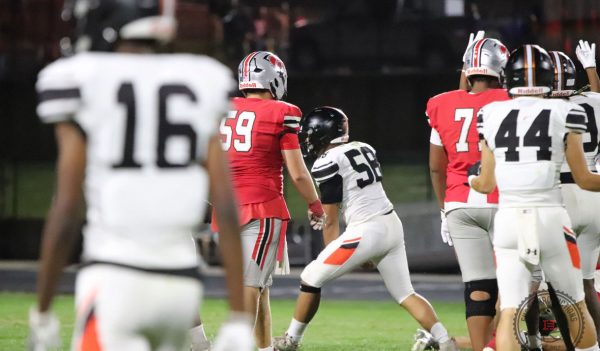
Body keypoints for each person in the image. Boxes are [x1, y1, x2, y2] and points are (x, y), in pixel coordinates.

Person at [27, 1, 252, 350]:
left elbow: (68, 206)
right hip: (181, 287)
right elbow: (225, 204)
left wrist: (42, 311)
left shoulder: (80, 78)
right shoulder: (201, 78)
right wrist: (237, 316)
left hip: (114, 278)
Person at [273, 107, 458, 351]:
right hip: (390, 224)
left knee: (310, 277)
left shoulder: (327, 161)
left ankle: (291, 341)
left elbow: (330, 218)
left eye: (309, 134)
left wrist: (334, 250)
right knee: (405, 294)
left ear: (322, 134)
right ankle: (446, 342)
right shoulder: (364, 147)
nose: (307, 139)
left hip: (367, 231)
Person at [471, 44, 600, 351]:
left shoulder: (489, 113)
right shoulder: (567, 110)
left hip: (509, 221)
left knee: (510, 310)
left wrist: (472, 179)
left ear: (508, 79)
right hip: (552, 218)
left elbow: (485, 184)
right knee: (575, 307)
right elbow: (584, 178)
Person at [210, 51, 325, 351]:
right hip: (261, 208)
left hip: (225, 209)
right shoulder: (281, 111)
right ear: (274, 79)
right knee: (251, 286)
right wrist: (315, 205)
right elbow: (298, 172)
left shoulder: (222, 108)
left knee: (259, 287)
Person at [426, 34, 509, 351]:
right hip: (503, 200)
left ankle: (480, 349)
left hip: (459, 202)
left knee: (477, 284)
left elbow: (436, 167)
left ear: (467, 69)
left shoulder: (441, 103)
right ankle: (508, 343)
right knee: (517, 284)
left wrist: (444, 209)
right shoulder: (511, 100)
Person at [550, 41, 600, 341]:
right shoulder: (594, 102)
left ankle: (557, 341)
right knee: (586, 285)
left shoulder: (544, 109)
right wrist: (591, 69)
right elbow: (594, 95)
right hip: (594, 197)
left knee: (549, 288)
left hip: (561, 195)